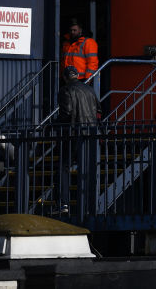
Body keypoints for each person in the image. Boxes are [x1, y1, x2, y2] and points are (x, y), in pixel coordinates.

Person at [57, 65, 99, 215]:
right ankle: (89, 203)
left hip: (74, 133)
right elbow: (98, 109)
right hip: (91, 133)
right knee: (87, 168)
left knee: (64, 167)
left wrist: (54, 125)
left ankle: (64, 203)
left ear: (65, 77)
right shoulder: (89, 89)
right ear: (77, 75)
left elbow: (66, 114)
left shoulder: (65, 90)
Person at [61, 18, 99, 94]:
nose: (72, 32)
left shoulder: (88, 42)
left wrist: (88, 79)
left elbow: (92, 63)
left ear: (80, 30)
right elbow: (63, 61)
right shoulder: (66, 43)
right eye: (71, 30)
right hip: (68, 79)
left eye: (75, 30)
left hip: (82, 80)